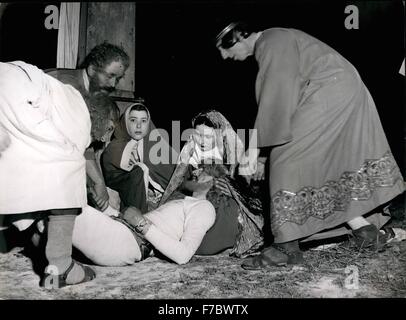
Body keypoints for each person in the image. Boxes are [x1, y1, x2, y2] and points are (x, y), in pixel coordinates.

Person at [215, 22, 405, 268]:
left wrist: (253, 150)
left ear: (240, 37)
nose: (224, 56)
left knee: (287, 159)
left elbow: (275, 96)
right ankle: (366, 232)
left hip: (331, 92)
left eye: (224, 48)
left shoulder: (272, 40)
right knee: (324, 166)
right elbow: (287, 96)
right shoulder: (277, 40)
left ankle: (285, 249)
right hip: (341, 89)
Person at [0, 61, 95, 288]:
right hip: (13, 86)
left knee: (12, 165)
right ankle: (60, 268)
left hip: (9, 83)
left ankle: (40, 241)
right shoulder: (79, 110)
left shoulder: (60, 95)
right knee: (70, 164)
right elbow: (77, 148)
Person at [159, 110, 265, 258]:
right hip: (196, 195)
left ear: (220, 135)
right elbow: (181, 182)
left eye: (208, 136)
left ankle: (212, 240)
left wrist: (223, 181)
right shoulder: (191, 150)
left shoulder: (229, 151)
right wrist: (196, 180)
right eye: (198, 134)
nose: (202, 141)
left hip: (223, 199)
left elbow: (241, 185)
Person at [47, 42, 130, 212]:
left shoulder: (89, 91)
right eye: (110, 76)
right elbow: (73, 144)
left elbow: (82, 142)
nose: (114, 84)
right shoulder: (66, 86)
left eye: (118, 78)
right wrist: (97, 183)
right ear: (92, 70)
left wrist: (98, 182)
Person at [71, 198, 216, 266]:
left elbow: (183, 255)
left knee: (60, 203)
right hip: (121, 230)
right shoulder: (188, 201)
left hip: (126, 240)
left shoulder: (205, 207)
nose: (195, 171)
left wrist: (141, 224)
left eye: (206, 170)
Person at [101, 102, 175, 213]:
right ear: (125, 122)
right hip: (132, 208)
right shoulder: (113, 148)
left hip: (163, 203)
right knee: (140, 170)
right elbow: (113, 178)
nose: (139, 126)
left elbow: (177, 174)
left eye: (143, 121)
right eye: (133, 120)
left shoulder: (157, 145)